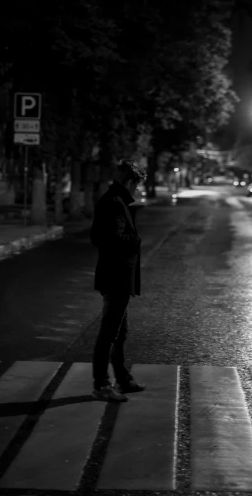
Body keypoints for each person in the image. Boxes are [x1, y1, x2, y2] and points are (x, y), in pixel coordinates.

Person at [90, 160, 147, 401]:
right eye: (137, 185)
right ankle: (102, 385)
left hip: (116, 276)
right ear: (129, 182)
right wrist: (135, 240)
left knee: (119, 333)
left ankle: (122, 380)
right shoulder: (114, 203)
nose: (137, 190)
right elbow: (114, 239)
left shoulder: (114, 200)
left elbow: (96, 236)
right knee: (109, 332)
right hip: (116, 277)